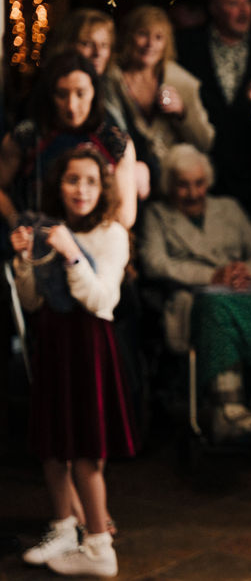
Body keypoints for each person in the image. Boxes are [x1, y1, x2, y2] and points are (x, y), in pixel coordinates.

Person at [12, 145, 133, 577]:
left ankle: (99, 544)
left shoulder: (112, 233)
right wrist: (26, 261)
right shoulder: (48, 227)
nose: (80, 189)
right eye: (71, 180)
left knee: (85, 448)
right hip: (53, 344)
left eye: (90, 181)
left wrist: (72, 253)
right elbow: (31, 300)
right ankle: (65, 527)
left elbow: (102, 300)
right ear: (57, 185)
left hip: (88, 348)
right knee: (51, 443)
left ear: (103, 188)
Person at [139, 144, 251, 441]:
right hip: (194, 295)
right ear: (169, 185)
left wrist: (245, 270)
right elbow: (155, 263)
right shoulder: (158, 215)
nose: (193, 193)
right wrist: (212, 276)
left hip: (242, 288)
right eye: (183, 185)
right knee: (215, 308)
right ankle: (228, 408)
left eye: (199, 183)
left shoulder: (228, 208)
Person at [176, 0, 251, 226]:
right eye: (233, 3)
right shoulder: (187, 46)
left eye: (247, 2)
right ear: (214, 8)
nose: (243, 10)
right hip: (200, 167)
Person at [0, 51, 138, 228]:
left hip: (98, 243)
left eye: (80, 94)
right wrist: (16, 220)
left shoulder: (115, 141)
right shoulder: (27, 136)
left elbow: (125, 217)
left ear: (94, 92)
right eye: (62, 94)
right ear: (50, 95)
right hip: (39, 240)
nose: (71, 106)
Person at [108, 5, 214, 192]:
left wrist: (182, 113)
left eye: (159, 37)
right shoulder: (111, 80)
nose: (150, 44)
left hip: (173, 184)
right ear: (129, 36)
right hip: (127, 178)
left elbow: (205, 142)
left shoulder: (181, 81)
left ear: (167, 43)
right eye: (143, 34)